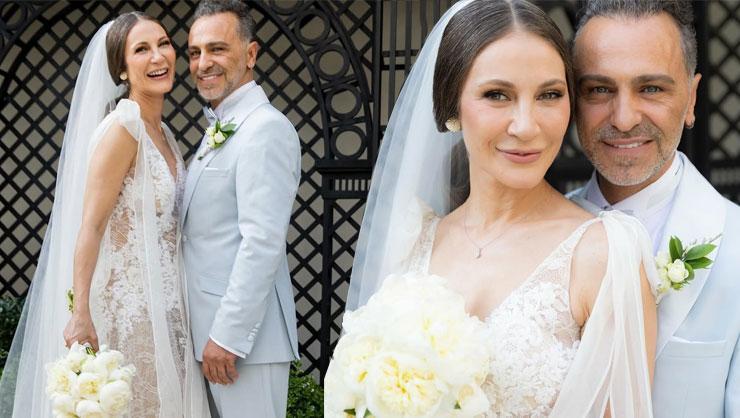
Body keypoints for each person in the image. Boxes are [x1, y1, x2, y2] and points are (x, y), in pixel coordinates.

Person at [346, 0, 658, 416]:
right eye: (497, 95)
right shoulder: (414, 240)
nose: (526, 126)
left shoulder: (603, 256)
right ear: (452, 106)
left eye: (549, 95)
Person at [0, 12, 210, 417]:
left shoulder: (164, 134)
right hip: (128, 313)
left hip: (168, 310)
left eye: (163, 44)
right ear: (122, 68)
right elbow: (91, 227)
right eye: (141, 49)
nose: (158, 57)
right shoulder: (123, 128)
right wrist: (80, 313)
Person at [568, 1, 740, 416]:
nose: (624, 119)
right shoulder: (534, 238)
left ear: (691, 98)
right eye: (599, 89)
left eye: (651, 89)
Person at [181, 1, 301, 417]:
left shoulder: (265, 129)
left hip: (242, 345)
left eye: (217, 49)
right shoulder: (221, 126)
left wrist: (228, 337)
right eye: (195, 52)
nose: (203, 63)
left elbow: (262, 243)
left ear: (250, 54)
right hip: (207, 335)